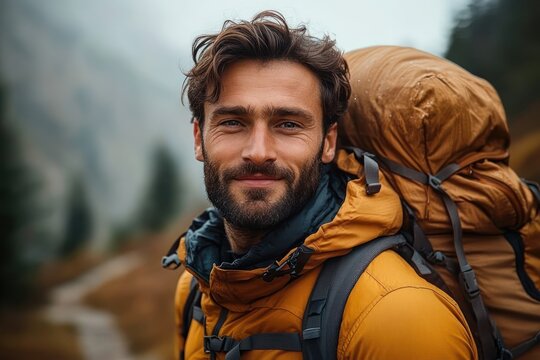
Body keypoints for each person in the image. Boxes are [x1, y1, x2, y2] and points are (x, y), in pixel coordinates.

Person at [167, 10, 478, 359]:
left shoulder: (397, 317)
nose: (258, 152)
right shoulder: (197, 288)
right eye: (233, 122)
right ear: (199, 137)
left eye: (287, 124)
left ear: (328, 142)